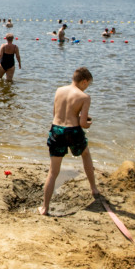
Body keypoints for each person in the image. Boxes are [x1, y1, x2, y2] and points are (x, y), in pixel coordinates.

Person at [40, 67, 98, 216]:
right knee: (85, 154)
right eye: (88, 84)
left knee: (53, 172)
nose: (87, 87)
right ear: (84, 82)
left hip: (57, 130)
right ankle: (93, 188)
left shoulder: (59, 90)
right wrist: (87, 123)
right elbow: (83, 123)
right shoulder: (84, 97)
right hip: (72, 131)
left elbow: (55, 114)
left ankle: (45, 208)